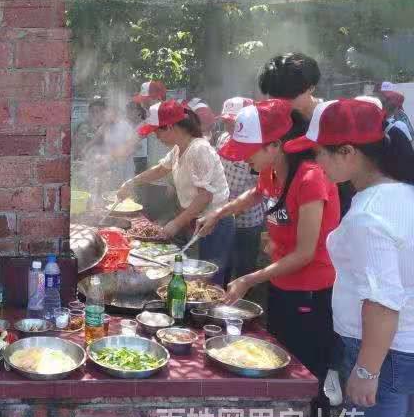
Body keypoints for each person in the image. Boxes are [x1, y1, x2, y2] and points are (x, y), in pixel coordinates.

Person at [197, 99, 340, 417]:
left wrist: (249, 279)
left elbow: (307, 253)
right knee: (285, 380)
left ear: (275, 144)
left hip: (312, 298)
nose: (245, 161)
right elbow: (253, 195)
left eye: (250, 153)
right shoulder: (273, 173)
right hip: (283, 291)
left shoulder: (310, 178)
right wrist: (218, 213)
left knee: (311, 388)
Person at [284, 98, 414, 417]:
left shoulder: (368, 215)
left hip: (383, 354)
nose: (316, 163)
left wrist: (365, 370)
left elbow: (382, 303)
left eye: (320, 153)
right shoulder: (403, 195)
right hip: (404, 348)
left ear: (348, 152)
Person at [118, 100, 233, 285]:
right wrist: (132, 182)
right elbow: (160, 169)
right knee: (191, 276)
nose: (155, 136)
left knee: (207, 281)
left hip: (214, 224)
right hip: (195, 220)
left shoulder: (199, 149)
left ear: (170, 127)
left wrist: (176, 224)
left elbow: (205, 196)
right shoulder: (179, 148)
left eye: (157, 131)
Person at [257, 52, 355, 218]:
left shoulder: (335, 118)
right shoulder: (279, 121)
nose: (282, 102)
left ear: (311, 88)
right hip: (294, 208)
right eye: (276, 96)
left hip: (338, 207)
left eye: (289, 96)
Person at [214, 97, 264, 281]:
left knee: (244, 269)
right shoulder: (222, 139)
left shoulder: (258, 147)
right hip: (224, 214)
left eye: (233, 122)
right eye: (225, 121)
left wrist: (237, 207)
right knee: (222, 265)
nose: (228, 125)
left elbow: (263, 187)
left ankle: (243, 305)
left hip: (248, 221)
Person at [132, 80, 175, 221]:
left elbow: (179, 151)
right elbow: (131, 142)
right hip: (152, 179)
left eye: (145, 101)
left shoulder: (172, 121)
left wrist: (172, 183)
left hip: (167, 185)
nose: (142, 105)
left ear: (157, 99)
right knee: (148, 222)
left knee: (162, 227)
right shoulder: (150, 119)